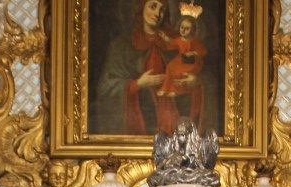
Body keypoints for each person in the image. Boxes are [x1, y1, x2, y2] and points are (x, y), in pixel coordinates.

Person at [94, 0, 221, 138]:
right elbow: (106, 88)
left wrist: (196, 81)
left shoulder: (178, 41)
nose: (157, 13)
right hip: (141, 123)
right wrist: (137, 84)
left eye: (162, 10)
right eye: (153, 6)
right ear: (141, 8)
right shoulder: (121, 46)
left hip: (176, 121)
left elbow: (205, 74)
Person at [156, 15, 207, 99]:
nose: (183, 30)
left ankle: (176, 90)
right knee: (170, 67)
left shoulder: (195, 41)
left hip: (193, 62)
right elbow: (171, 42)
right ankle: (165, 88)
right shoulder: (179, 39)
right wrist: (164, 37)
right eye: (181, 27)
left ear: (193, 30)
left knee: (181, 72)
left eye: (187, 28)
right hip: (182, 59)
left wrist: (193, 53)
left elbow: (203, 51)